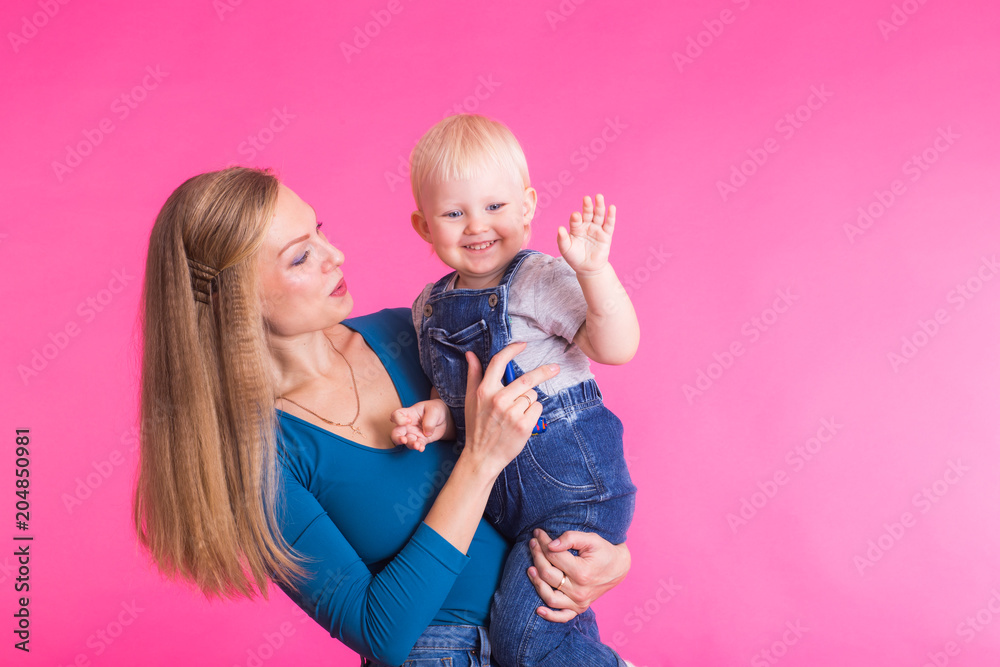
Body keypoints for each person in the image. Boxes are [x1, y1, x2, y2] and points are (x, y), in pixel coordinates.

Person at [132, 166, 633, 667]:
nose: (335, 256)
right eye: (302, 256)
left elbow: (559, 454)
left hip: (553, 637)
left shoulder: (418, 332)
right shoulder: (256, 458)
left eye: (319, 231)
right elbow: (380, 633)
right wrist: (479, 461)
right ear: (233, 301)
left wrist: (612, 558)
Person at [392, 114, 639, 666]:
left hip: (572, 491)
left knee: (525, 641)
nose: (477, 225)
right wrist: (436, 417)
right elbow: (465, 404)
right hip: (509, 505)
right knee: (547, 630)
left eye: (495, 207)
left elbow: (615, 346)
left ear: (527, 207)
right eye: (454, 213)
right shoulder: (427, 308)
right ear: (423, 226)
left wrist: (594, 273)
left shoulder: (541, 278)